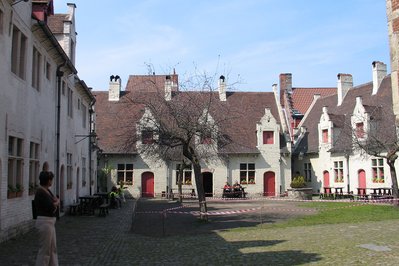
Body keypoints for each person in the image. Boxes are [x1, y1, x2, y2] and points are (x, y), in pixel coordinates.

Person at [34, 171, 60, 266]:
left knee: (52, 248)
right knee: (45, 251)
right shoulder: (41, 192)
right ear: (48, 180)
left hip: (50, 222)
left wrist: (55, 202)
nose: (52, 181)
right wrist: (56, 203)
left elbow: (53, 200)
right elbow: (51, 206)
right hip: (44, 222)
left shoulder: (47, 190)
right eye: (51, 179)